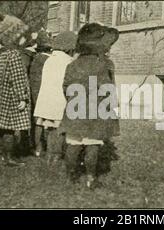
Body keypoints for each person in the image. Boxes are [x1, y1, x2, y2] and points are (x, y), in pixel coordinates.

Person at [61, 23, 120, 189]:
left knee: (73, 144)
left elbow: (65, 87)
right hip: (95, 111)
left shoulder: (71, 65)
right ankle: (90, 178)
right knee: (92, 145)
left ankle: (70, 177)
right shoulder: (104, 64)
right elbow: (108, 88)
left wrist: (73, 99)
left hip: (75, 108)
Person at [0, 14, 31, 167]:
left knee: (5, 127)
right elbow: (17, 78)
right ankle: (10, 158)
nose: (25, 39)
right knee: (10, 128)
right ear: (15, 37)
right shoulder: (15, 54)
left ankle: (6, 156)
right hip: (11, 96)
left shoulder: (3, 53)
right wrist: (22, 98)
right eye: (22, 36)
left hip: (1, 96)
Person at [33, 31, 77, 160]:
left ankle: (48, 153)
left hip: (46, 98)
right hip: (59, 99)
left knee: (49, 127)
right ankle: (56, 155)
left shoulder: (49, 60)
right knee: (59, 128)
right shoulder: (67, 62)